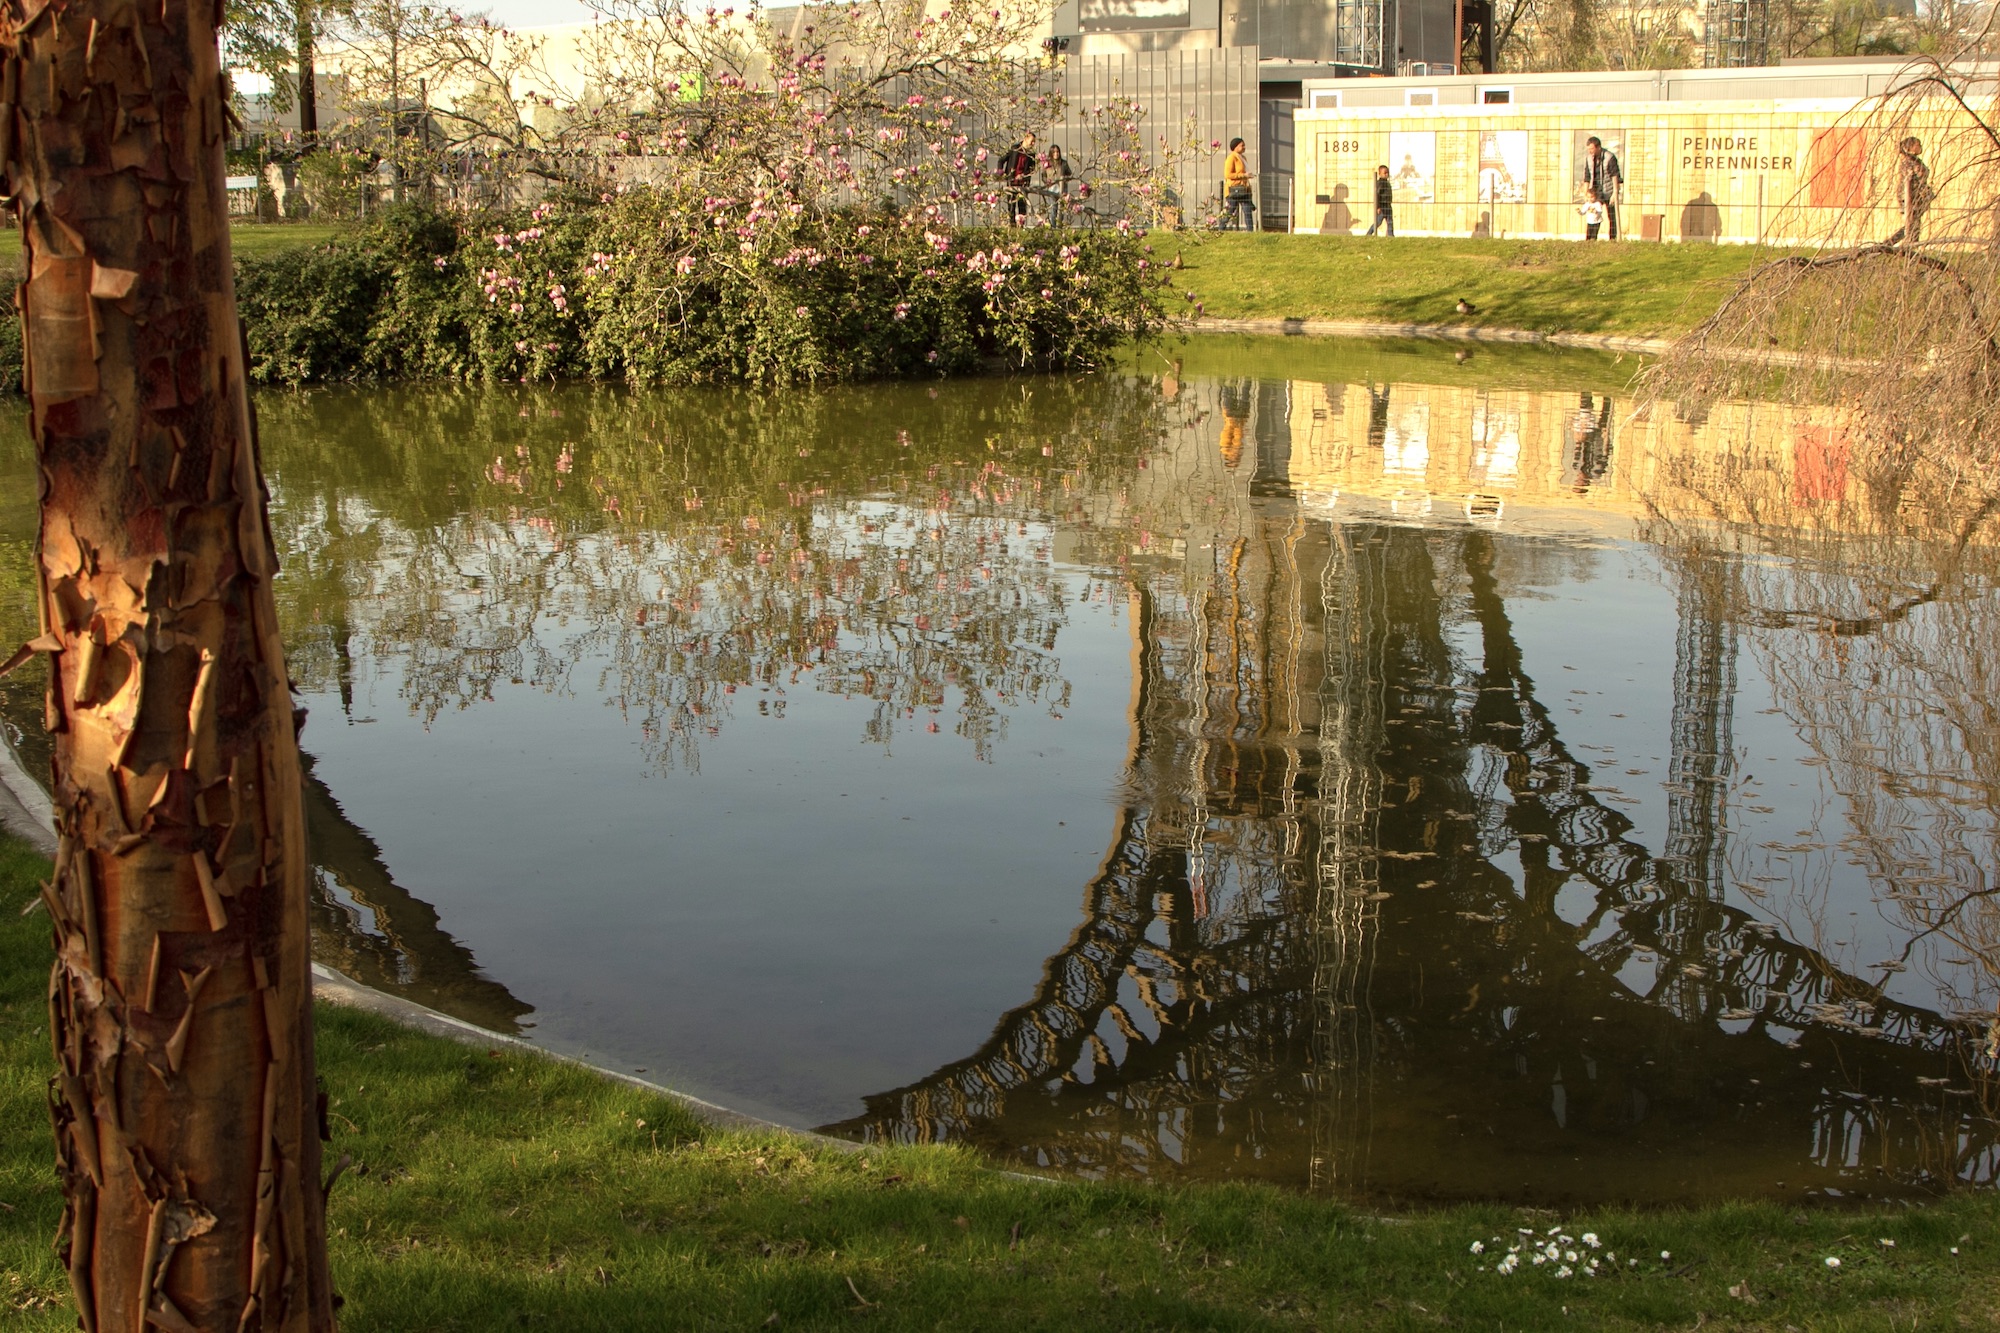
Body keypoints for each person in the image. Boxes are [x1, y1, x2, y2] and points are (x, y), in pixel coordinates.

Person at [1887, 136, 1931, 245]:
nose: (1921, 147)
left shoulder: (1916, 160)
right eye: (1918, 145)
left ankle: (1909, 245)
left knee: (1914, 224)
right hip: (1909, 197)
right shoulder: (1907, 162)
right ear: (1911, 147)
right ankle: (1891, 244)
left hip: (1917, 197)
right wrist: (1909, 202)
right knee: (1910, 224)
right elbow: (1908, 183)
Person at [1580, 135, 1623, 240]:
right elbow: (1587, 176)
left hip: (1608, 190)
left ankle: (1613, 239)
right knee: (1593, 215)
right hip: (1596, 192)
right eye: (1589, 149)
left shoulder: (1609, 157)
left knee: (1611, 216)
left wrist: (1615, 193)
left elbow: (1615, 175)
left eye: (1592, 148)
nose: (1590, 151)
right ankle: (1591, 239)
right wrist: (1586, 193)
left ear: (1598, 147)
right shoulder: (1589, 158)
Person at [999, 132, 1038, 227]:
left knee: (1022, 207)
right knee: (1011, 206)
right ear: (1025, 139)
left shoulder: (1031, 154)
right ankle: (1012, 226)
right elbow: (1001, 160)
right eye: (1032, 141)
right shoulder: (1015, 149)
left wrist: (1024, 175)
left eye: (1034, 142)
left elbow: (1032, 170)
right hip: (1012, 182)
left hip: (1022, 184)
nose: (1033, 144)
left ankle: (1021, 226)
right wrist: (1002, 174)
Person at [1223, 137, 1254, 231]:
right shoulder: (1231, 158)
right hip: (1234, 190)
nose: (1244, 147)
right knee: (1230, 211)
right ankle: (1221, 229)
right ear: (1235, 147)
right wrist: (1243, 175)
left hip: (1244, 189)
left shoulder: (1243, 158)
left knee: (1248, 211)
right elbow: (1227, 174)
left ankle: (1251, 232)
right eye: (1242, 145)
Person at [1039, 143, 1072, 225]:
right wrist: (1047, 182)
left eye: (1057, 152)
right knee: (1053, 208)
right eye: (1054, 152)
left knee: (1061, 208)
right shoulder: (1047, 163)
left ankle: (1060, 225)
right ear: (1051, 153)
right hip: (1052, 188)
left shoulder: (1063, 163)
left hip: (1062, 187)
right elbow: (1043, 176)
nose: (1056, 154)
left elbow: (1069, 173)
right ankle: (1053, 226)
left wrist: (1064, 179)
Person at [1365, 163, 1394, 237]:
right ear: (1380, 173)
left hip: (1388, 205)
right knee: (1378, 221)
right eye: (1385, 173)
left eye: (1387, 173)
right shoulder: (1380, 183)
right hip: (1382, 205)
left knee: (1390, 221)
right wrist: (1378, 206)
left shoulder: (1387, 183)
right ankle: (1369, 233)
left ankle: (1391, 235)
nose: (1386, 174)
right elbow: (1377, 195)